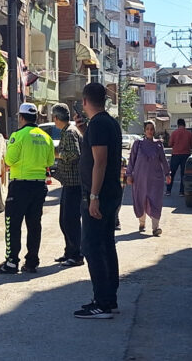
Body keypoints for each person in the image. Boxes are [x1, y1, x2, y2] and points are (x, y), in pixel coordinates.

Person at [72, 83, 122, 320]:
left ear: (84, 101)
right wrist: (84, 133)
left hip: (99, 196)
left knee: (92, 247)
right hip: (109, 193)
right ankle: (108, 299)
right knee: (105, 245)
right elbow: (97, 154)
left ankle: (101, 302)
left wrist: (93, 197)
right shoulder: (105, 123)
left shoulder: (100, 124)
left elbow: (100, 162)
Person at [0, 103, 54, 274]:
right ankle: (32, 262)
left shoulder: (18, 135)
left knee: (13, 224)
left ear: (21, 117)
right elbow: (50, 162)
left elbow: (10, 160)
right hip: (39, 186)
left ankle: (12, 262)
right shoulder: (45, 137)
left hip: (20, 186)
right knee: (34, 225)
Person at [51, 103, 84, 267]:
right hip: (68, 182)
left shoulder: (70, 132)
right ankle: (69, 251)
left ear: (56, 118)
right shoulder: (68, 131)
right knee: (64, 220)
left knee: (70, 221)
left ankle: (76, 255)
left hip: (74, 183)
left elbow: (74, 154)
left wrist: (58, 155)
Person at [126, 121, 171, 237]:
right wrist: (129, 174)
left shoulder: (158, 145)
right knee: (140, 200)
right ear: (144, 130)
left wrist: (168, 174)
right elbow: (131, 160)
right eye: (148, 129)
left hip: (155, 180)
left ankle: (155, 228)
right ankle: (142, 223)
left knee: (156, 201)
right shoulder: (138, 144)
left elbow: (164, 161)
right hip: (139, 179)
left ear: (154, 131)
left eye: (152, 129)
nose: (150, 131)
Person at [166, 119, 192, 197]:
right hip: (186, 155)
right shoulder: (189, 134)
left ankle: (168, 190)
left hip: (175, 154)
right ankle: (181, 192)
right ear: (184, 124)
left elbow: (170, 144)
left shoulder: (174, 133)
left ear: (178, 124)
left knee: (172, 173)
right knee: (183, 174)